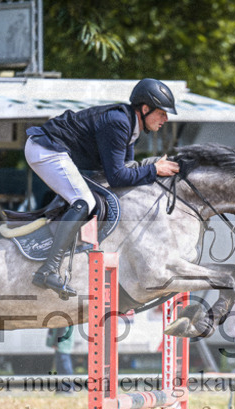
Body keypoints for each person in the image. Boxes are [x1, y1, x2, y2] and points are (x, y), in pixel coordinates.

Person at [24, 78, 181, 297]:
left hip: (58, 152)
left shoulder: (131, 126)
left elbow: (125, 172)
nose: (166, 118)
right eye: (162, 113)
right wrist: (154, 169)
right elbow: (118, 177)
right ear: (145, 109)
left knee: (97, 196)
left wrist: (152, 167)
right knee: (84, 202)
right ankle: (48, 269)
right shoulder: (118, 122)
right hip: (46, 149)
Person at [46, 326, 75, 394]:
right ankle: (63, 388)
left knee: (64, 367)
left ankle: (68, 388)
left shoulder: (62, 318)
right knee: (62, 367)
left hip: (62, 345)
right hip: (63, 344)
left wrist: (55, 342)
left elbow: (61, 330)